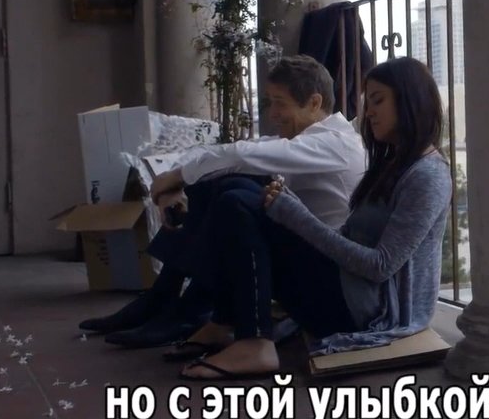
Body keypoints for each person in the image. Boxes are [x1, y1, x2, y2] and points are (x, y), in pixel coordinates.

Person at [178, 57, 452, 380]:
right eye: (368, 103)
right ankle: (225, 322)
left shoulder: (429, 176)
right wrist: (292, 207)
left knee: (238, 202)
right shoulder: (392, 164)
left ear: (410, 101)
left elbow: (379, 266)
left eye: (378, 101)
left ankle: (252, 342)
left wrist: (296, 217)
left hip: (366, 312)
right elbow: (349, 235)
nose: (368, 112)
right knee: (236, 190)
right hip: (346, 290)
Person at [78, 55, 367, 354]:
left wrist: (177, 177)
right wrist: (175, 183)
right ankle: (165, 299)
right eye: (270, 102)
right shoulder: (314, 139)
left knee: (235, 198)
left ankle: (185, 310)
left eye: (280, 103)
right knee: (224, 184)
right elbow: (231, 153)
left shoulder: (335, 144)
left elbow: (242, 155)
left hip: (329, 289)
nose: (273, 114)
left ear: (314, 102)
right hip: (310, 267)